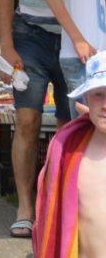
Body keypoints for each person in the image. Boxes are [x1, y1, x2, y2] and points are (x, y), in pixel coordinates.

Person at [0, 0, 102, 238]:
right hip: (33, 36)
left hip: (74, 43)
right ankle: (25, 207)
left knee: (72, 123)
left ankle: (63, 204)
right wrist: (7, 46)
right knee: (27, 119)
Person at [33, 50, 106, 257]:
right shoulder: (68, 152)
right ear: (86, 100)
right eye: (98, 95)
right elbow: (51, 216)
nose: (105, 105)